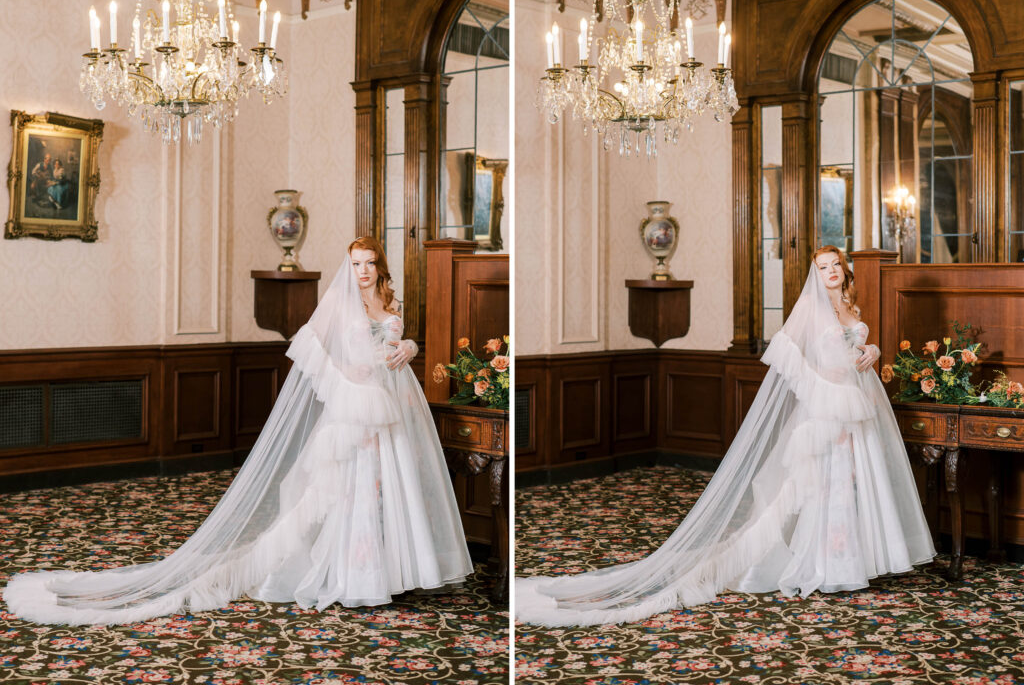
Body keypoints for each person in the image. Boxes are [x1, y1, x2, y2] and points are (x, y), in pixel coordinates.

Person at [3, 237, 473, 625]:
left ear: (380, 267)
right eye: (355, 264)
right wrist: (344, 382)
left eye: (369, 263)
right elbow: (309, 345)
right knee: (347, 494)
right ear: (347, 267)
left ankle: (388, 574)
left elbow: (395, 344)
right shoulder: (339, 303)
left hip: (390, 411)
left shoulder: (390, 303)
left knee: (387, 492)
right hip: (354, 412)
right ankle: (353, 576)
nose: (363, 271)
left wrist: (411, 346)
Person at [516, 246, 935, 626]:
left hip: (857, 406)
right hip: (827, 408)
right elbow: (785, 351)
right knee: (822, 487)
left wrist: (873, 351)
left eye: (834, 266)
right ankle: (827, 566)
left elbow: (856, 349)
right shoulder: (811, 306)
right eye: (822, 267)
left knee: (852, 485)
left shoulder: (850, 306)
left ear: (845, 270)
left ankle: (851, 560)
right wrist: (820, 387)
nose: (829, 272)